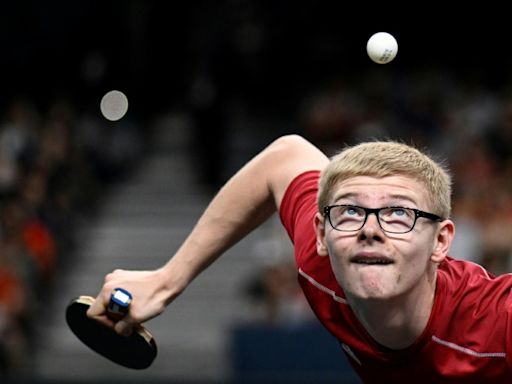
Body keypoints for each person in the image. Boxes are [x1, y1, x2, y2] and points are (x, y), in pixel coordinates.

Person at [87, 134, 512, 383]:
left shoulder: (496, 324)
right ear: (321, 235)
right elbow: (286, 156)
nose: (369, 228)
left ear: (441, 242)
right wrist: (166, 281)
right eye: (349, 210)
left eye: (399, 213)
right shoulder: (322, 264)